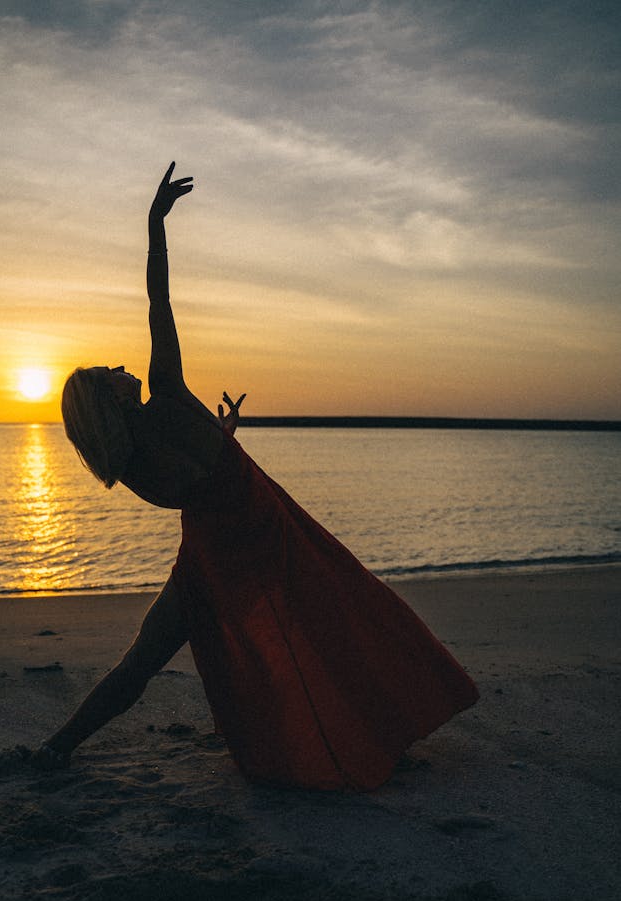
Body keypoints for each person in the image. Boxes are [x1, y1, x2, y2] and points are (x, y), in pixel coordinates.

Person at [37, 163, 478, 789]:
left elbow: (200, 483)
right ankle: (376, 737)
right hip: (269, 532)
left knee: (143, 660)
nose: (118, 364)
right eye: (110, 371)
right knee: (346, 624)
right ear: (109, 399)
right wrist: (155, 228)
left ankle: (59, 747)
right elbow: (158, 301)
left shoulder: (129, 468)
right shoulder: (165, 392)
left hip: (214, 558)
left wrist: (222, 433)